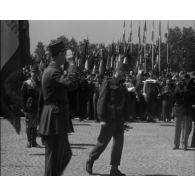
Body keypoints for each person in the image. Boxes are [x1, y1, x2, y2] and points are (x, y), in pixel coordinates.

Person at [38, 41, 78, 176]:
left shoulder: (52, 70)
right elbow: (71, 84)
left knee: (64, 154)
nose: (66, 56)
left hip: (54, 118)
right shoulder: (53, 72)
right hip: (54, 119)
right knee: (54, 157)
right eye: (64, 53)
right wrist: (72, 64)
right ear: (59, 54)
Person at [86, 61, 127, 176]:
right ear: (117, 71)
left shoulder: (121, 85)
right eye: (122, 72)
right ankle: (90, 160)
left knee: (118, 144)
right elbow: (101, 100)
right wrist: (101, 117)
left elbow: (124, 103)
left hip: (119, 119)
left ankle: (114, 168)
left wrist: (125, 118)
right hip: (108, 118)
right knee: (102, 143)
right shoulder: (108, 82)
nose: (124, 74)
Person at [21, 64, 41, 148]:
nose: (34, 74)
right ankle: (29, 142)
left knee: (35, 125)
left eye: (36, 72)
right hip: (28, 107)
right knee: (29, 125)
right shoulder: (26, 83)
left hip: (37, 107)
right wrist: (23, 108)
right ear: (30, 73)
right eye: (33, 72)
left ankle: (34, 142)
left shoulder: (39, 83)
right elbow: (22, 96)